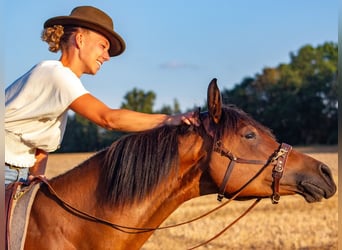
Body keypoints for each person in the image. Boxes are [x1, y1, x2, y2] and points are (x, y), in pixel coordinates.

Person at [5, 6, 198, 186]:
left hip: (18, 174)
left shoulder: (60, 82)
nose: (107, 56)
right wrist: (168, 119)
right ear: (80, 40)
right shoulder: (56, 75)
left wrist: (37, 178)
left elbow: (40, 146)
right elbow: (108, 119)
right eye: (102, 46)